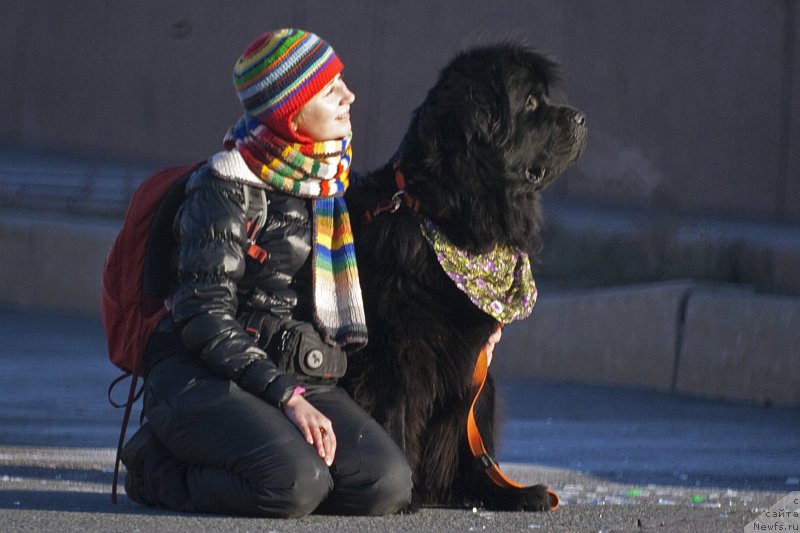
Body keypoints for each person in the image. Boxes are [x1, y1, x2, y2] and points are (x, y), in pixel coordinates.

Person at [119, 28, 412, 517]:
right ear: (292, 115)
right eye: (329, 88)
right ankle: (156, 466)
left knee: (384, 485)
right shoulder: (226, 187)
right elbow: (202, 316)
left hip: (296, 370)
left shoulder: (331, 181)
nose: (349, 95)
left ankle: (284, 464)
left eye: (342, 80)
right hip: (204, 375)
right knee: (293, 485)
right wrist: (286, 396)